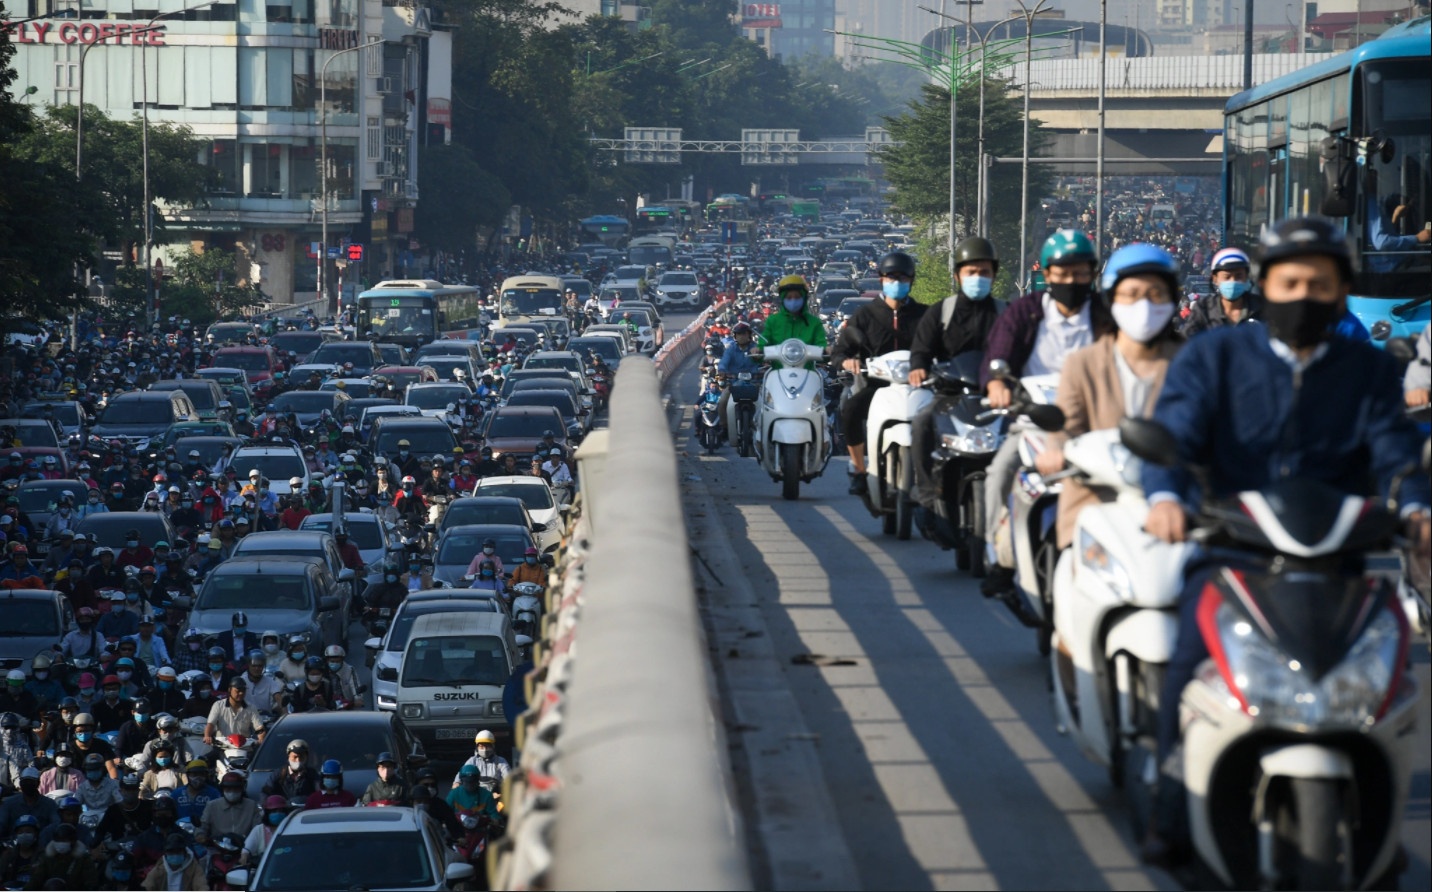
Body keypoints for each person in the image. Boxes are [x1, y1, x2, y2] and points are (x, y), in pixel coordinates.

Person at [1139, 216, 1431, 864]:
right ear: (1265, 285)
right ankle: (1168, 793)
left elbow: (1396, 452)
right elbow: (1175, 434)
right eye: (1290, 281)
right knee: (1185, 659)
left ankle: (1381, 816)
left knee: (1392, 681)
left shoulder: (1367, 369)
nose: (1303, 296)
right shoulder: (1215, 356)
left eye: (1320, 284)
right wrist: (1165, 497)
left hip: (1342, 566)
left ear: (1341, 291)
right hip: (1232, 556)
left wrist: (1416, 508)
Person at [977, 229, 1111, 599]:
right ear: (1046, 273)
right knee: (999, 474)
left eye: (1080, 273)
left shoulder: (1105, 315)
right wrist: (997, 383)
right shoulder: (1026, 311)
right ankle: (997, 556)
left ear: (1093, 274)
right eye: (1062, 272)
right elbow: (998, 354)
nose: (1071, 280)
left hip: (1094, 427)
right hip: (1031, 423)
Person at [1036, 243, 1184, 551]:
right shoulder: (1082, 364)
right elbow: (1065, 423)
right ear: (1111, 300)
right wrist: (1056, 449)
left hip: (1175, 507)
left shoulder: (1190, 364)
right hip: (1097, 501)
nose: (1143, 305)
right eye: (1131, 294)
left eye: (1155, 293)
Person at [907, 237, 1005, 520]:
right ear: (958, 275)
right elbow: (921, 348)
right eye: (971, 272)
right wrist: (919, 367)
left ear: (994, 275)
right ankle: (926, 496)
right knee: (922, 423)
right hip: (949, 396)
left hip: (996, 398)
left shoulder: (1005, 312)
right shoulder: (942, 311)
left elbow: (1021, 351)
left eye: (984, 272)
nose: (978, 278)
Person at [830, 251, 929, 495]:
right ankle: (859, 468)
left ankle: (935, 473)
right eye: (891, 277)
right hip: (878, 387)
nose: (897, 282)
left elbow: (942, 345)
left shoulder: (925, 315)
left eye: (903, 278)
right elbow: (840, 352)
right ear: (881, 279)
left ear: (912, 280)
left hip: (918, 387)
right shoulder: (865, 316)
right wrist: (847, 362)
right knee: (851, 409)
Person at [1180, 246, 1261, 336]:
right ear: (1215, 278)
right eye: (1227, 277)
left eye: (1238, 276)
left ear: (1246, 277)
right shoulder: (1204, 309)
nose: (1232, 281)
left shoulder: (1260, 307)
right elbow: (1186, 342)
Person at [758, 275, 827, 368]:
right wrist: (757, 351)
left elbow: (822, 346)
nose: (793, 301)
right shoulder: (772, 321)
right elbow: (762, 344)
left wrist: (827, 351)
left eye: (797, 297)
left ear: (804, 298)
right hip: (777, 376)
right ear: (782, 299)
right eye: (789, 298)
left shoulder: (814, 322)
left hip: (808, 375)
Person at [25, 822, 98, 890]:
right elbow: (37, 878)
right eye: (58, 840)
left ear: (73, 841)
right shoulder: (47, 858)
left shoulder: (84, 859)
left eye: (65, 840)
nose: (61, 843)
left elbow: (91, 882)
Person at [205, 677, 263, 752]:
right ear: (229, 690)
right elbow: (210, 724)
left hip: (244, 749)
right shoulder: (218, 705)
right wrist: (207, 736)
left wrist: (261, 738)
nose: (241, 693)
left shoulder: (251, 708)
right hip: (222, 748)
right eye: (238, 690)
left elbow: (259, 728)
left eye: (243, 690)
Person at [200, 771, 259, 843]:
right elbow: (203, 825)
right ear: (223, 789)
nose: (232, 792)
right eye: (228, 789)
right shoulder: (212, 806)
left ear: (242, 789)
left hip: (245, 847)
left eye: (236, 788)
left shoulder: (251, 806)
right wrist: (200, 835)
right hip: (217, 847)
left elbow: (258, 828)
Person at [140, 832, 207, 890]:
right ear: (165, 853)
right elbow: (147, 886)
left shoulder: (194, 868)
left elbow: (201, 885)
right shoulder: (159, 869)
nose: (175, 855)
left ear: (185, 853)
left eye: (178, 852)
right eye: (171, 852)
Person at [0, 767, 59, 831]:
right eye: (25, 782)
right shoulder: (8, 804)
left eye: (31, 782)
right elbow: (2, 823)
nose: (28, 784)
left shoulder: (49, 804)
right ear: (20, 784)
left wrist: (44, 835)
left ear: (38, 783)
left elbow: (56, 823)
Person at [445, 764, 503, 830]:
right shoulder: (454, 794)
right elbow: (445, 812)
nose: (470, 784)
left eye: (472, 781)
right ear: (462, 781)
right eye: (467, 781)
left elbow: (493, 814)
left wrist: (495, 820)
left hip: (480, 831)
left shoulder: (487, 795)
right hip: (459, 830)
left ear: (477, 781)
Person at [0, 814, 44, 889]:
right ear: (16, 834)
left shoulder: (43, 854)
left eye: (28, 831)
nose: (24, 834)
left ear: (36, 833)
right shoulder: (8, 854)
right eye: (20, 832)